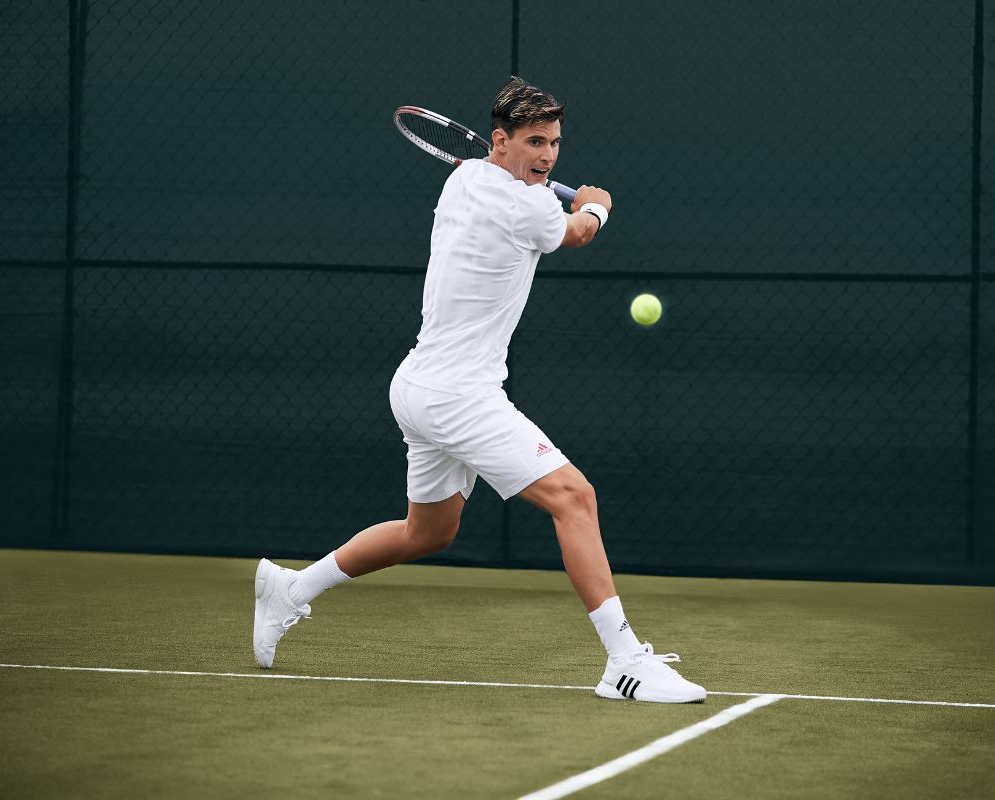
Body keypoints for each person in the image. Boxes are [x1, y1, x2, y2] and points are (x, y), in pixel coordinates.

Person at [253, 77, 705, 703]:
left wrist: (556, 195)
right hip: (458, 396)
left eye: (554, 143)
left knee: (428, 533)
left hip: (419, 385)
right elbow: (575, 234)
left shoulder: (466, 179)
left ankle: (291, 590)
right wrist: (596, 206)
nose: (547, 156)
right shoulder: (526, 205)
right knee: (575, 498)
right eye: (534, 142)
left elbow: (541, 202)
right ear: (500, 141)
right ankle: (625, 661)